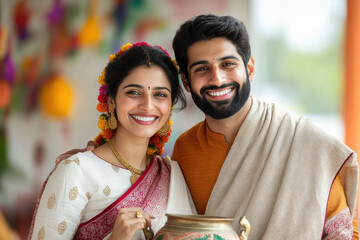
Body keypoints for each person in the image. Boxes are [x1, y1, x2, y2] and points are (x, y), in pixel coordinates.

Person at [57, 15, 359, 239]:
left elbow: (342, 231)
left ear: (249, 67)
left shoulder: (304, 143)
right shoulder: (185, 152)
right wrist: (93, 159)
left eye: (228, 64)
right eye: (202, 69)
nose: (216, 78)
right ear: (186, 82)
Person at [28, 42, 194, 240]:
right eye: (133, 92)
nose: (148, 106)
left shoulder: (172, 176)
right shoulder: (76, 171)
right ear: (111, 100)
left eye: (160, 95)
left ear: (170, 105)